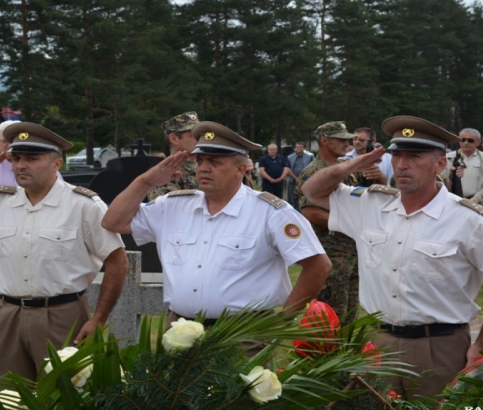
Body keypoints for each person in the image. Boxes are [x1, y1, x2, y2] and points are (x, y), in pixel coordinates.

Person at [302, 115, 483, 401]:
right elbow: (311, 191)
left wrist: (482, 342)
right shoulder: (370, 204)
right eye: (397, 156)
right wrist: (353, 163)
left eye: (415, 156)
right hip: (377, 342)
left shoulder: (468, 219)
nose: (402, 164)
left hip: (438, 347)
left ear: (440, 164)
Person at [0, 122, 128, 381]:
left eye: (32, 158)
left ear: (56, 164)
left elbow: (117, 260)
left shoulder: (83, 205)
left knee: (65, 399)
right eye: (15, 158)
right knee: (12, 400)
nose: (20, 165)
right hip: (7, 314)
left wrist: (99, 319)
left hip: (62, 314)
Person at [101, 121, 332, 327]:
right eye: (200, 160)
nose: (203, 168)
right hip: (179, 328)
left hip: (242, 333)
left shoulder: (270, 212)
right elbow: (113, 222)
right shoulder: (172, 206)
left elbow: (318, 265)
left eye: (215, 162)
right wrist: (146, 180)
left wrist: (281, 322)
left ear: (240, 169)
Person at [294, 121, 380, 322]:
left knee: (349, 315)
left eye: (347, 139)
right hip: (331, 251)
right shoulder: (315, 171)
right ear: (325, 141)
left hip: (350, 250)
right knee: (329, 315)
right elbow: (310, 212)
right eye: (340, 139)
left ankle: (346, 352)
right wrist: (349, 225)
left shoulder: (344, 169)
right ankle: (327, 354)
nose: (347, 143)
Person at [443, 128, 483, 210]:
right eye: (462, 140)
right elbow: (439, 183)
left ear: (478, 142)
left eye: (470, 140)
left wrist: (474, 200)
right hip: (453, 205)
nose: (466, 143)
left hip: (479, 205)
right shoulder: (448, 158)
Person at [147, 111, 199, 201]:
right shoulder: (164, 173)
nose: (199, 139)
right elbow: (169, 209)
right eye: (194, 135)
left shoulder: (211, 166)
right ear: (174, 139)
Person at [285, 142, 314, 211]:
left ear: (304, 148)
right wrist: (296, 178)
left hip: (306, 180)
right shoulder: (290, 157)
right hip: (293, 180)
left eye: (301, 147)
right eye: (297, 147)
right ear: (295, 148)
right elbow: (288, 169)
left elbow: (313, 168)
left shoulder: (310, 156)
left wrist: (303, 179)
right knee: (292, 198)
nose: (299, 148)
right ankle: (293, 212)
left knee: (305, 198)